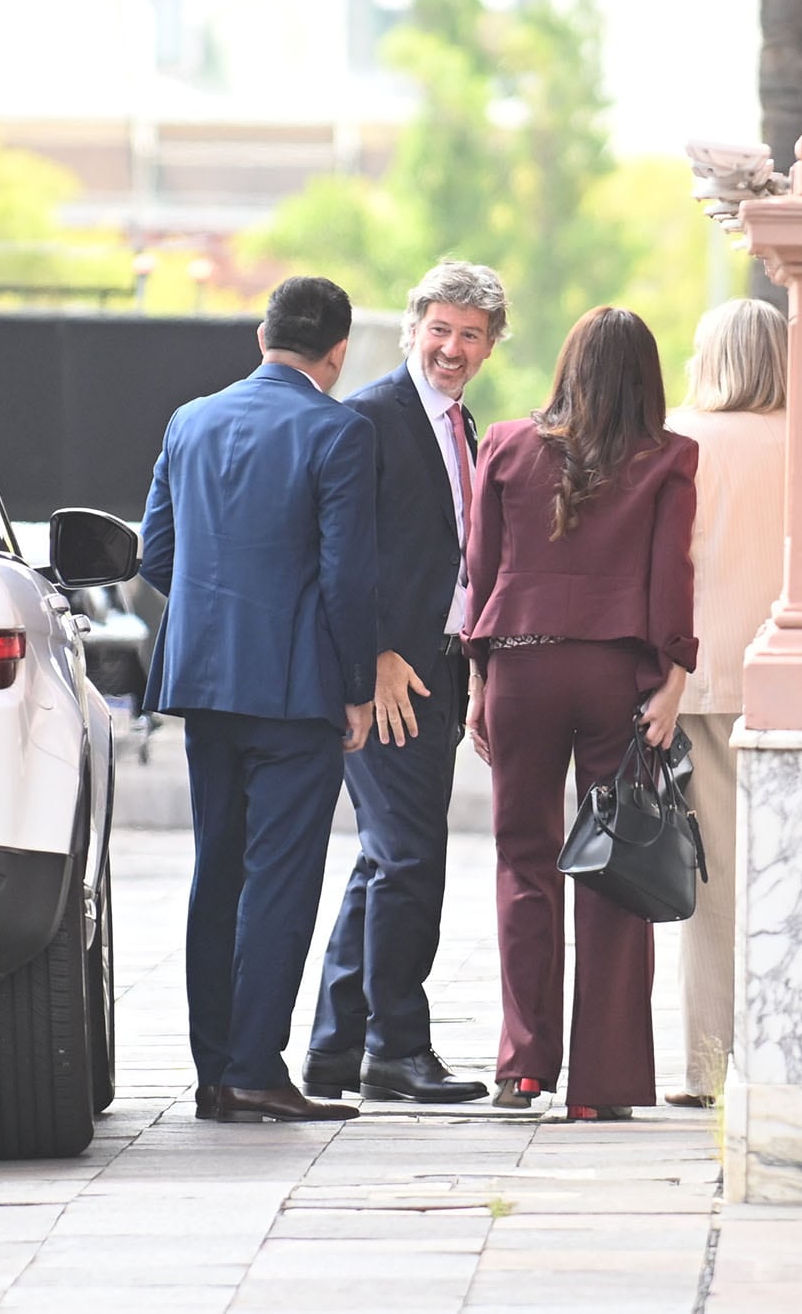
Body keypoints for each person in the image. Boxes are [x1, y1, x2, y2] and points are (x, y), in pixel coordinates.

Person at [138, 275, 379, 1124]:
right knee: (280, 876)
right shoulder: (337, 431)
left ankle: (216, 1069)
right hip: (294, 686)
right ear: (338, 353)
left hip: (205, 680)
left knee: (219, 870)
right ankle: (252, 1067)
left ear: (261, 335)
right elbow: (347, 579)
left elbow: (156, 553)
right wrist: (355, 688)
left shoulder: (190, 419)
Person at [463, 306, 697, 1120]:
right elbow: (671, 580)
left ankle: (523, 1066)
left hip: (518, 666)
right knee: (616, 866)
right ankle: (601, 1086)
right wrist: (673, 681)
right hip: (615, 675)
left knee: (523, 862)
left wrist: (476, 685)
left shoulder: (505, 443)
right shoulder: (668, 458)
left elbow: (480, 570)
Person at [302, 261, 507, 1106]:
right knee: (411, 856)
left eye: (469, 335)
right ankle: (397, 1048)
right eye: (439, 329)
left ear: (491, 346)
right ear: (412, 328)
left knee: (385, 858)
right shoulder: (369, 419)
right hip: (390, 675)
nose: (451, 348)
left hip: (444, 668)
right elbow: (338, 553)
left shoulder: (462, 423)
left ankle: (333, 1049)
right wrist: (377, 655)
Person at [661, 298, 788, 1108]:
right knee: (788, 874)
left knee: (713, 890)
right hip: (799, 676)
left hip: (702, 681)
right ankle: (790, 1049)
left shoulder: (681, 438)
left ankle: (712, 1067)